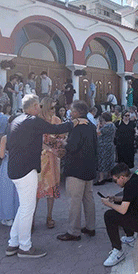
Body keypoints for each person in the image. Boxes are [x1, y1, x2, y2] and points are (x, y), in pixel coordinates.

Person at [7, 94, 78, 257]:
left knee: (23, 207)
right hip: (26, 170)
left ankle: (13, 242)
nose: (40, 108)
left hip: (15, 169)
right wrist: (74, 122)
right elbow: (56, 129)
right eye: (38, 105)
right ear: (33, 106)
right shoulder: (32, 120)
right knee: (27, 208)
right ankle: (25, 247)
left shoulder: (17, 119)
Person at [100, 162, 138, 267]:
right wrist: (114, 199)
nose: (116, 183)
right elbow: (129, 199)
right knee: (119, 202)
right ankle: (130, 237)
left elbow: (123, 210)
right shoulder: (135, 179)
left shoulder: (130, 186)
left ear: (122, 177)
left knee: (109, 216)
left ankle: (118, 251)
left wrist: (108, 203)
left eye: (115, 180)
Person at [57, 100, 98, 242]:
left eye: (72, 110)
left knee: (74, 200)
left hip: (76, 169)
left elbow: (72, 147)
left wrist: (63, 143)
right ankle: (90, 227)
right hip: (89, 167)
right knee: (88, 198)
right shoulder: (92, 126)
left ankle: (73, 231)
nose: (70, 112)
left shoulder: (77, 127)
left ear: (77, 112)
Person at [35, 97, 66, 229]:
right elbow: (34, 139)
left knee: (52, 188)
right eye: (52, 107)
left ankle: (49, 216)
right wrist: (48, 147)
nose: (55, 110)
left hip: (53, 159)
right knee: (35, 189)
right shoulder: (37, 121)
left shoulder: (57, 120)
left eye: (55, 107)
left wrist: (59, 147)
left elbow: (61, 137)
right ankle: (30, 218)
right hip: (39, 158)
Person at [0, 115, 19, 226]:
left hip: (7, 165)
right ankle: (17, 215)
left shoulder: (5, 138)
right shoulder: (22, 136)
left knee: (6, 191)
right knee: (17, 191)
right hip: (19, 164)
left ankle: (7, 216)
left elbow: (1, 155)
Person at [95, 112, 116, 186]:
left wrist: (98, 126)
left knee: (102, 161)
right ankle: (109, 176)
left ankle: (101, 178)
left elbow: (98, 133)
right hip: (110, 144)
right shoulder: (112, 125)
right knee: (109, 160)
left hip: (103, 145)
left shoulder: (107, 126)